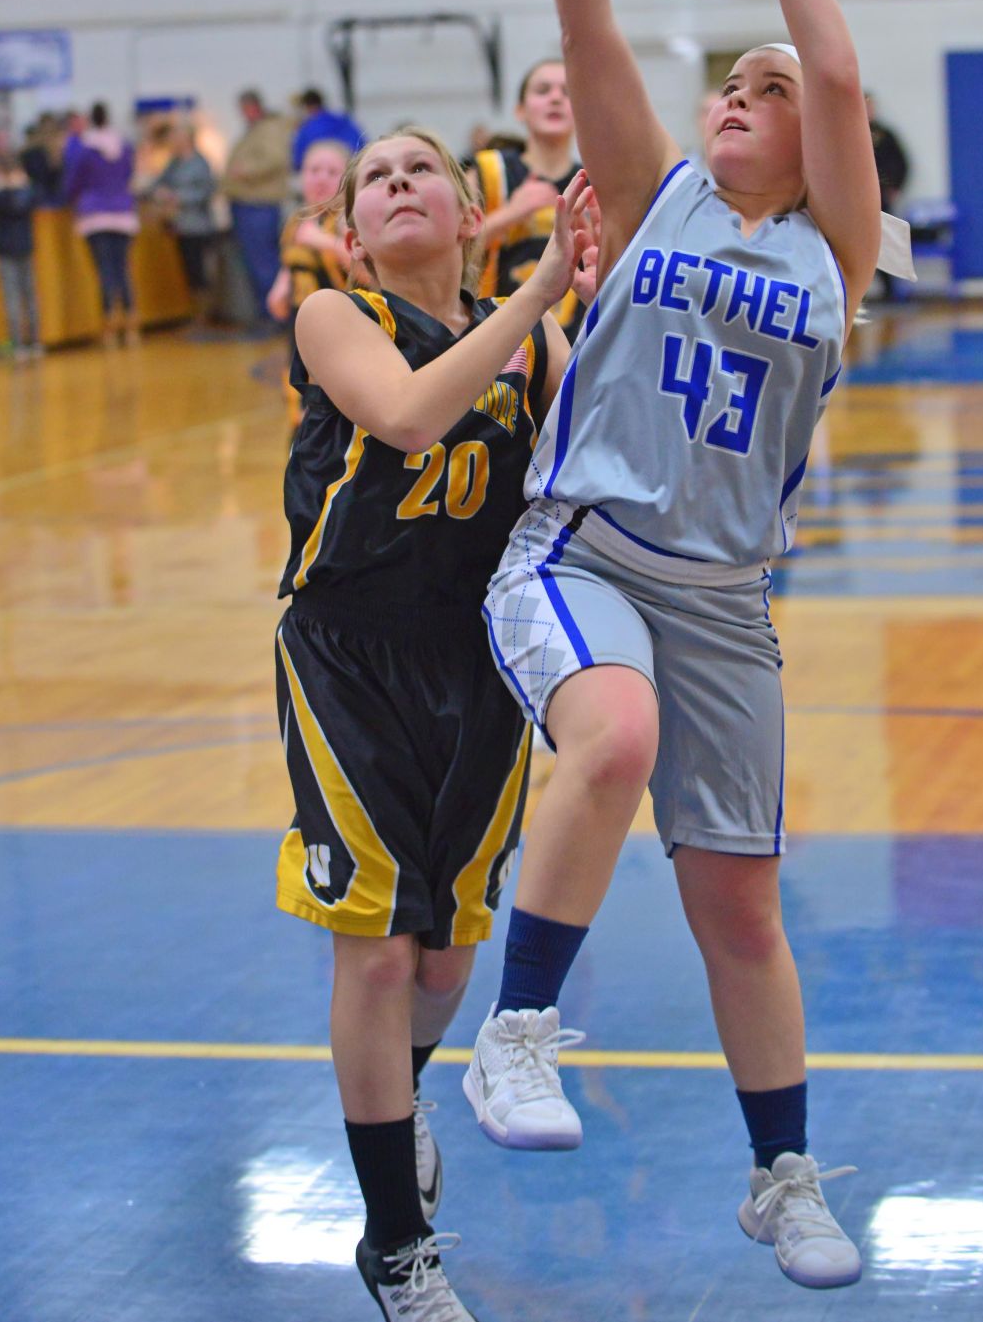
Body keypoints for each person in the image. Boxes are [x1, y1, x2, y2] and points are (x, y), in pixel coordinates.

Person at [464, 0, 880, 1292]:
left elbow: (835, 74)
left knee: (742, 907)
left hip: (726, 597)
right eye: (733, 81)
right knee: (613, 739)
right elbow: (593, 22)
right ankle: (516, 1033)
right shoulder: (652, 196)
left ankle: (782, 1173)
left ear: (818, 154)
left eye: (764, 95)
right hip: (583, 553)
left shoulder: (837, 255)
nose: (744, 96)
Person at [275, 125, 595, 1320]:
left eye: (424, 173)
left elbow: (599, 470)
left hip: (478, 657)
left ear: (470, 217)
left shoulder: (541, 338)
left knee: (448, 952)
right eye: (378, 178)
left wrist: (596, 306)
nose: (400, 184)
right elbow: (408, 418)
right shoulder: (335, 317)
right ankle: (399, 1247)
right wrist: (536, 302)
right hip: (346, 651)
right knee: (379, 942)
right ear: (354, 231)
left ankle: (397, 1099)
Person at [470, 61, 584, 339]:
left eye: (567, 92)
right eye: (543, 90)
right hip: (496, 336)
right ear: (520, 110)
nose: (555, 98)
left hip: (574, 339)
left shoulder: (595, 182)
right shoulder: (487, 171)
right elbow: (448, 248)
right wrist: (512, 212)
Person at [267, 139, 353, 429]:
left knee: (330, 397)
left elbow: (361, 267)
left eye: (331, 172)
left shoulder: (346, 220)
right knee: (296, 392)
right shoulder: (297, 220)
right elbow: (291, 260)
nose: (321, 178)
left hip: (337, 325)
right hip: (299, 320)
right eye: (314, 170)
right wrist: (280, 286)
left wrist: (324, 242)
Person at [63, 103, 140, 347]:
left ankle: (108, 326)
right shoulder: (124, 146)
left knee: (105, 270)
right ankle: (131, 326)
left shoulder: (84, 150)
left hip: (94, 215)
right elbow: (129, 174)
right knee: (122, 269)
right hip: (122, 213)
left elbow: (72, 182)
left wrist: (68, 199)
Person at [222, 90, 292, 323]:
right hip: (247, 204)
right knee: (255, 263)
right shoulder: (255, 130)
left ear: (254, 106)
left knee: (263, 263)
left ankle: (273, 316)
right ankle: (266, 315)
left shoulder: (268, 130)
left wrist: (244, 171)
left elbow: (275, 159)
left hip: (259, 204)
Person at [140, 121, 218, 327]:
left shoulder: (201, 163)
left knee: (199, 271)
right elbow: (156, 184)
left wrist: (177, 197)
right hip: (180, 226)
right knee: (189, 272)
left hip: (198, 226)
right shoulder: (174, 163)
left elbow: (206, 192)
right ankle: (194, 314)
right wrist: (156, 192)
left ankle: (204, 316)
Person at [0, 137, 41, 359]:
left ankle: (24, 343)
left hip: (8, 248)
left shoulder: (8, 193)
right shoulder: (25, 190)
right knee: (26, 295)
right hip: (20, 246)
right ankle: (32, 342)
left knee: (16, 296)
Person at [865, 93, 910, 301]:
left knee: (885, 243)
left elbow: (901, 162)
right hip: (855, 200)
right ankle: (858, 294)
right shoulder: (845, 132)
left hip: (880, 197)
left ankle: (890, 292)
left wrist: (895, 187)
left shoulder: (884, 134)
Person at [290, 86, 364, 172]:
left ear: (307, 107)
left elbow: (298, 161)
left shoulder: (306, 129)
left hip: (322, 178)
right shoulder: (343, 120)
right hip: (348, 173)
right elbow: (361, 143)